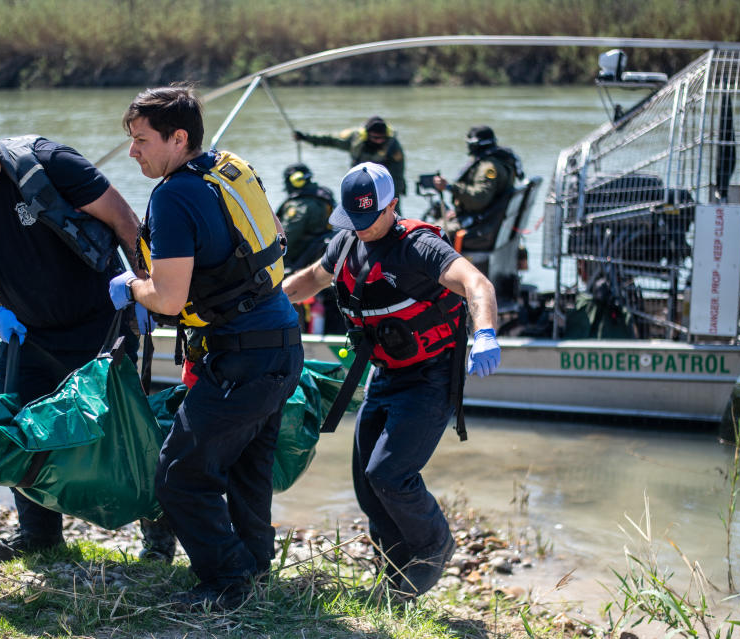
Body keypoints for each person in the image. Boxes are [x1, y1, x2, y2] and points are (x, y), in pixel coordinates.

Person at [0, 106, 148, 561]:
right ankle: (40, 535)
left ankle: (158, 540)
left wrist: (148, 292)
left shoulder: (49, 162)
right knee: (15, 427)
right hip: (27, 336)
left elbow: (125, 222)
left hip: (101, 324)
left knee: (126, 430)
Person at [108, 85, 305, 609]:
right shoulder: (228, 167)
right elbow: (273, 238)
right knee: (245, 470)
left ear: (178, 138)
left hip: (243, 357)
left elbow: (168, 298)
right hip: (282, 342)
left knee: (178, 476)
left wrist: (131, 288)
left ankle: (228, 582)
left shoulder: (172, 195)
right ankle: (254, 571)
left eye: (142, 140)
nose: (133, 152)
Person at [282, 162, 501, 601]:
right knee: (368, 484)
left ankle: (434, 546)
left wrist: (485, 333)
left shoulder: (418, 247)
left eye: (368, 219)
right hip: (384, 374)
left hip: (430, 377)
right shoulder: (346, 241)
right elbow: (312, 279)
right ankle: (395, 578)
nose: (360, 229)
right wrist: (266, 302)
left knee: (390, 474)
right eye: (353, 220)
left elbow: (477, 284)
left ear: (392, 207)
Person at [294, 115, 406, 205]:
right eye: (376, 138)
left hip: (385, 188)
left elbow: (397, 175)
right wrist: (305, 137)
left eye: (382, 138)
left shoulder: (393, 147)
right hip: (359, 185)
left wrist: (390, 197)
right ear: (366, 135)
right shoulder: (355, 139)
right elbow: (330, 139)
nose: (379, 141)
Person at [432, 125, 524, 235]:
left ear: (475, 145)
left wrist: (450, 187)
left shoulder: (488, 168)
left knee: (429, 234)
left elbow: (479, 199)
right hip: (485, 219)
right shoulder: (497, 160)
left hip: (480, 226)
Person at [276, 163, 335, 272]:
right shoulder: (325, 195)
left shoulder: (299, 205)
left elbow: (286, 237)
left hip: (301, 257)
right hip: (318, 251)